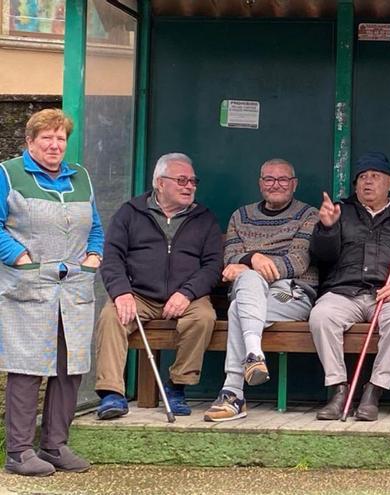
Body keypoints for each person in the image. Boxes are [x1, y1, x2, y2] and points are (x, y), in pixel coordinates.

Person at [0, 109, 103, 476]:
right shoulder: (8, 174)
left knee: (69, 366)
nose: (55, 144)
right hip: (28, 285)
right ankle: (19, 452)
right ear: (30, 141)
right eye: (47, 137)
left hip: (73, 285)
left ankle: (56, 445)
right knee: (27, 368)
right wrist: (20, 257)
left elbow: (95, 225)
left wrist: (95, 255)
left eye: (61, 138)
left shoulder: (81, 178)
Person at [94, 153, 223, 419]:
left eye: (193, 181)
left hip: (187, 295)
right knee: (111, 316)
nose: (190, 186)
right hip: (138, 293)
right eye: (182, 180)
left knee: (203, 317)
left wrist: (187, 293)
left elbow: (213, 266)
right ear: (160, 183)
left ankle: (177, 386)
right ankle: (112, 394)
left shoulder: (204, 218)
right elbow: (112, 257)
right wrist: (121, 293)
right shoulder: (130, 213)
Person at [308, 152, 390, 422]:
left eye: (375, 176)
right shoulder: (341, 212)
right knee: (321, 316)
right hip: (344, 291)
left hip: (387, 294)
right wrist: (326, 228)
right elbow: (321, 257)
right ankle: (338, 390)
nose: (367, 182)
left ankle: (374, 391)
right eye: (362, 177)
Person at [204, 158, 319, 422]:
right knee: (248, 286)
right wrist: (251, 261)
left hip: (290, 294)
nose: (275, 184)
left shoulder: (308, 215)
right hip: (250, 292)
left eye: (282, 179)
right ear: (260, 183)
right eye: (269, 179)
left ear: (294, 184)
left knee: (237, 309)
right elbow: (229, 257)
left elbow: (298, 262)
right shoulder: (240, 216)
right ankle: (253, 353)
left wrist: (251, 260)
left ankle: (233, 393)